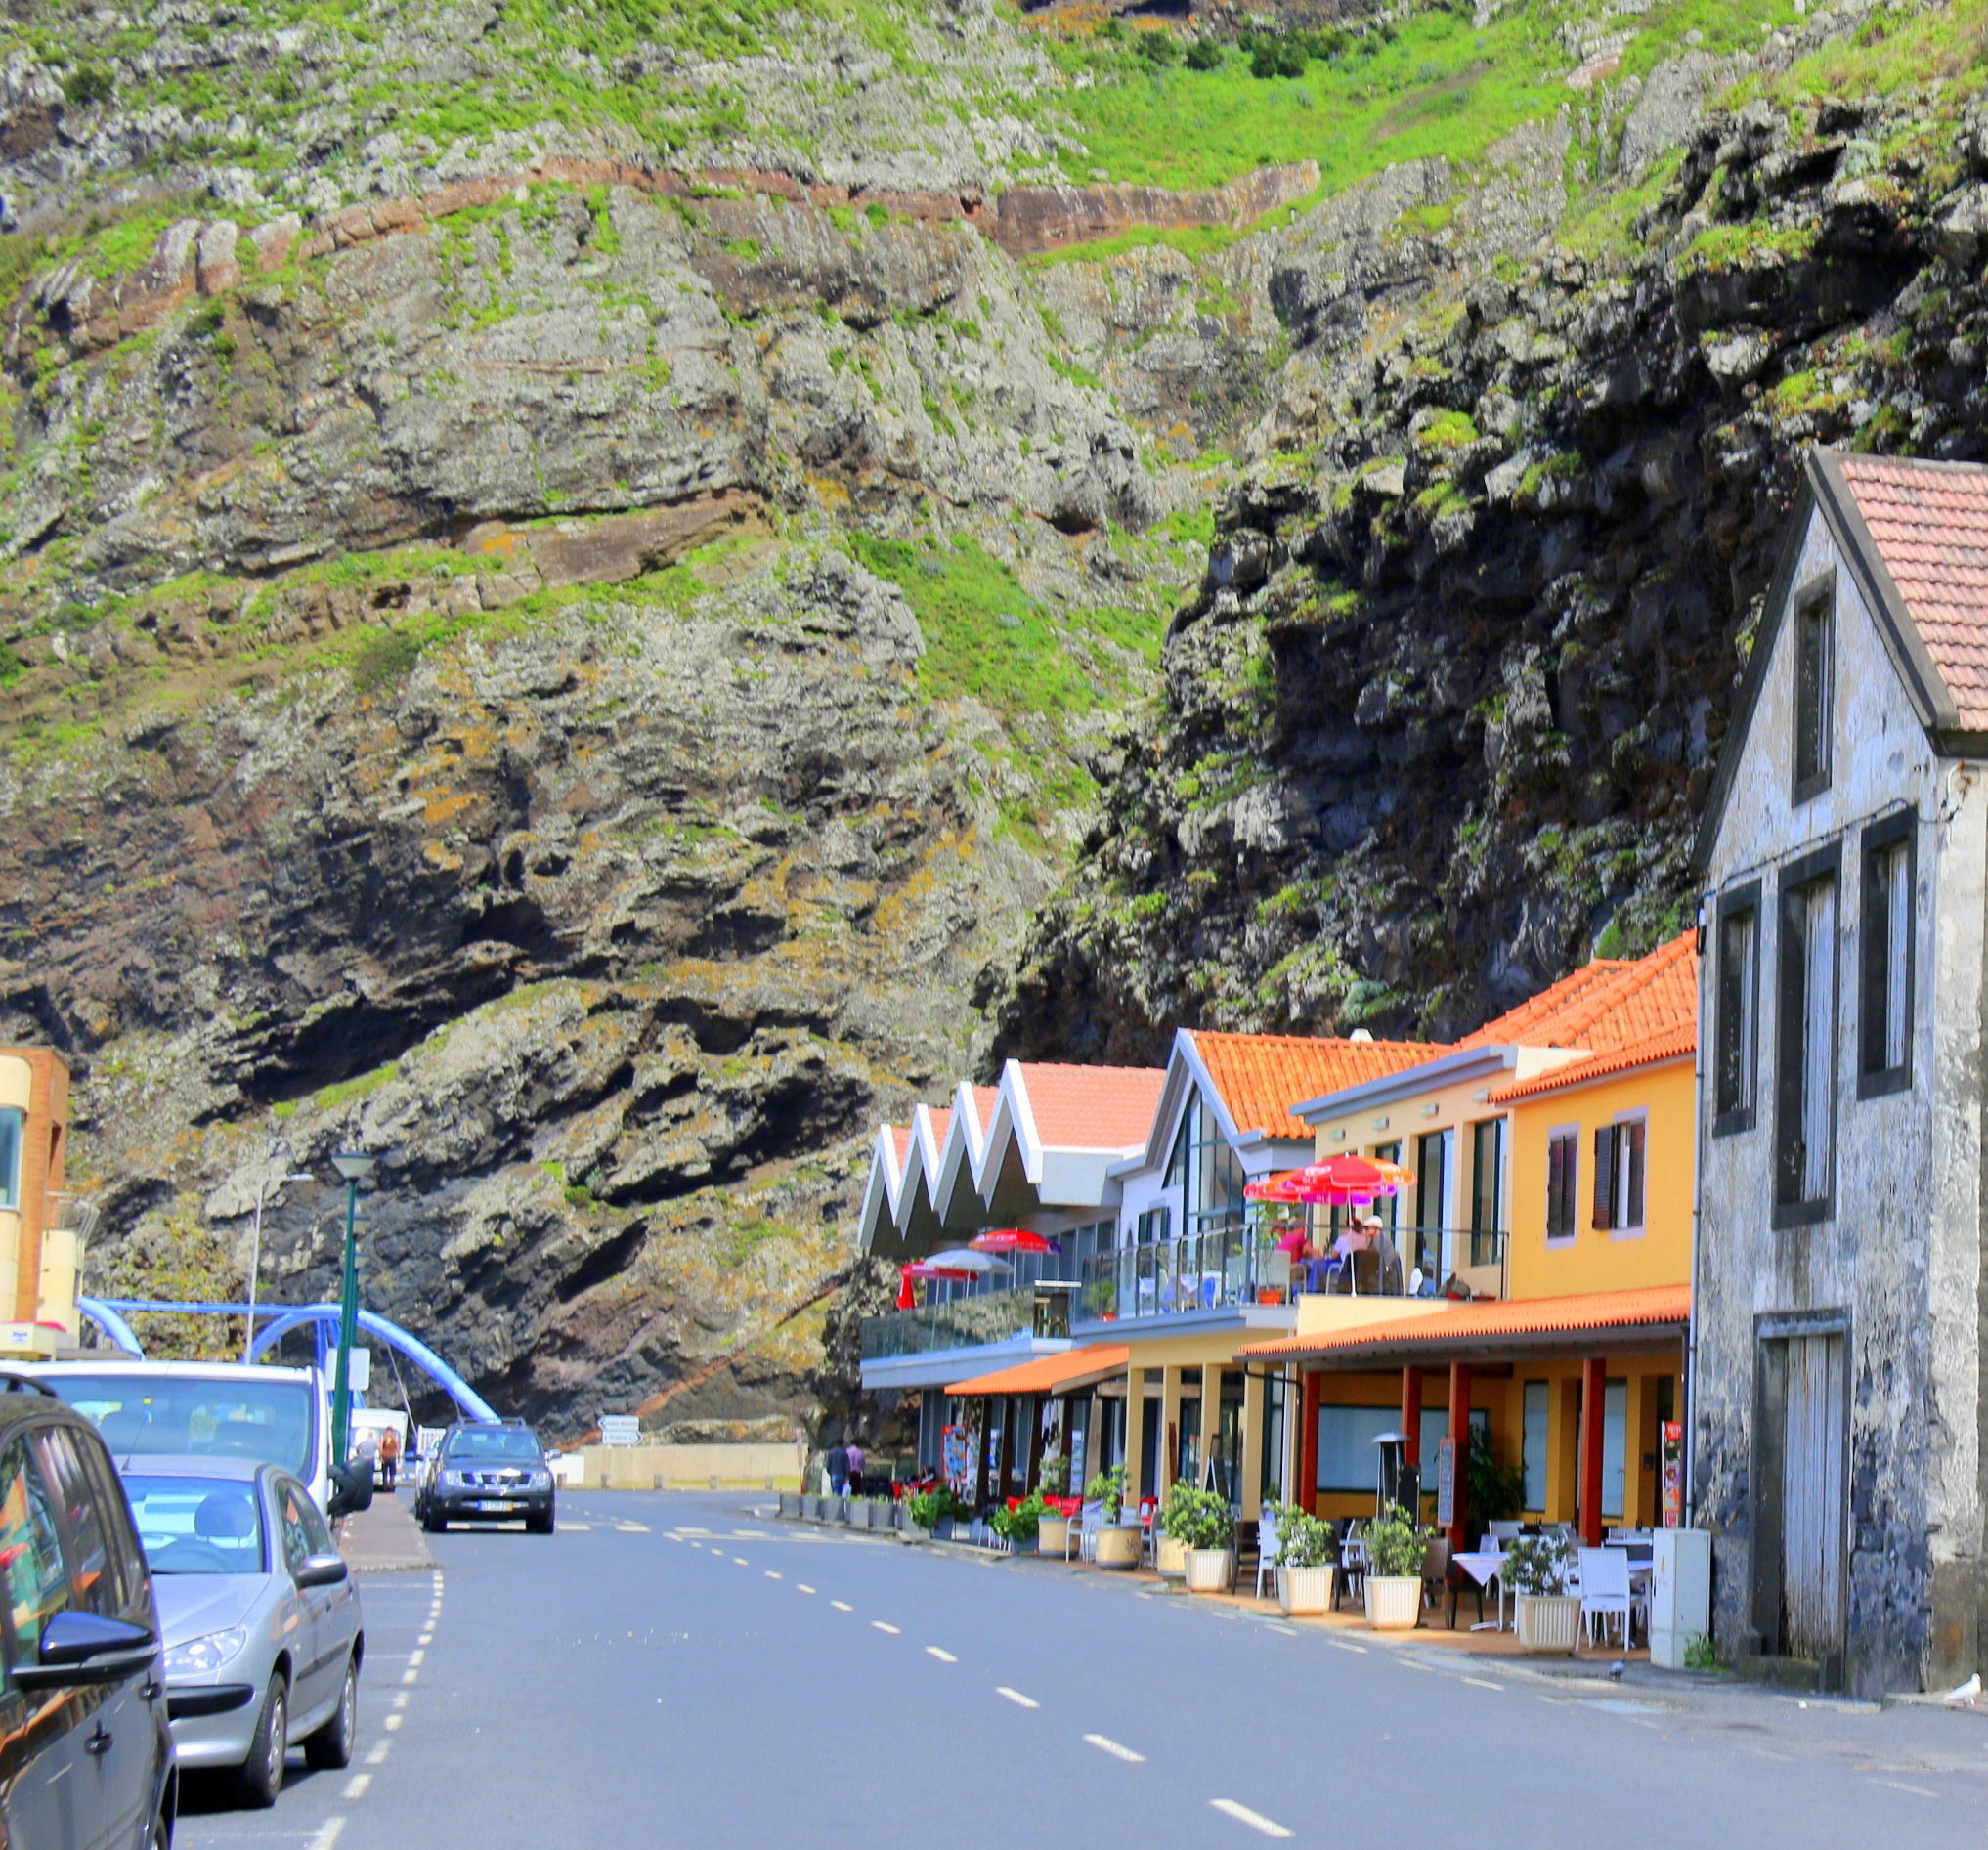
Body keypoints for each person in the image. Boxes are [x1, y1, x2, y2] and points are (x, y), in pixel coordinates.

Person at [379, 1423, 401, 1491]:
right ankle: (391, 1484)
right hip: (392, 1457)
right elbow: (397, 1448)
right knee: (392, 1472)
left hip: (385, 1456)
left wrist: (381, 1456)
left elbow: (380, 1447)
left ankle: (385, 1486)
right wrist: (398, 1456)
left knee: (385, 1472)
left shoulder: (383, 1437)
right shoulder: (395, 1438)